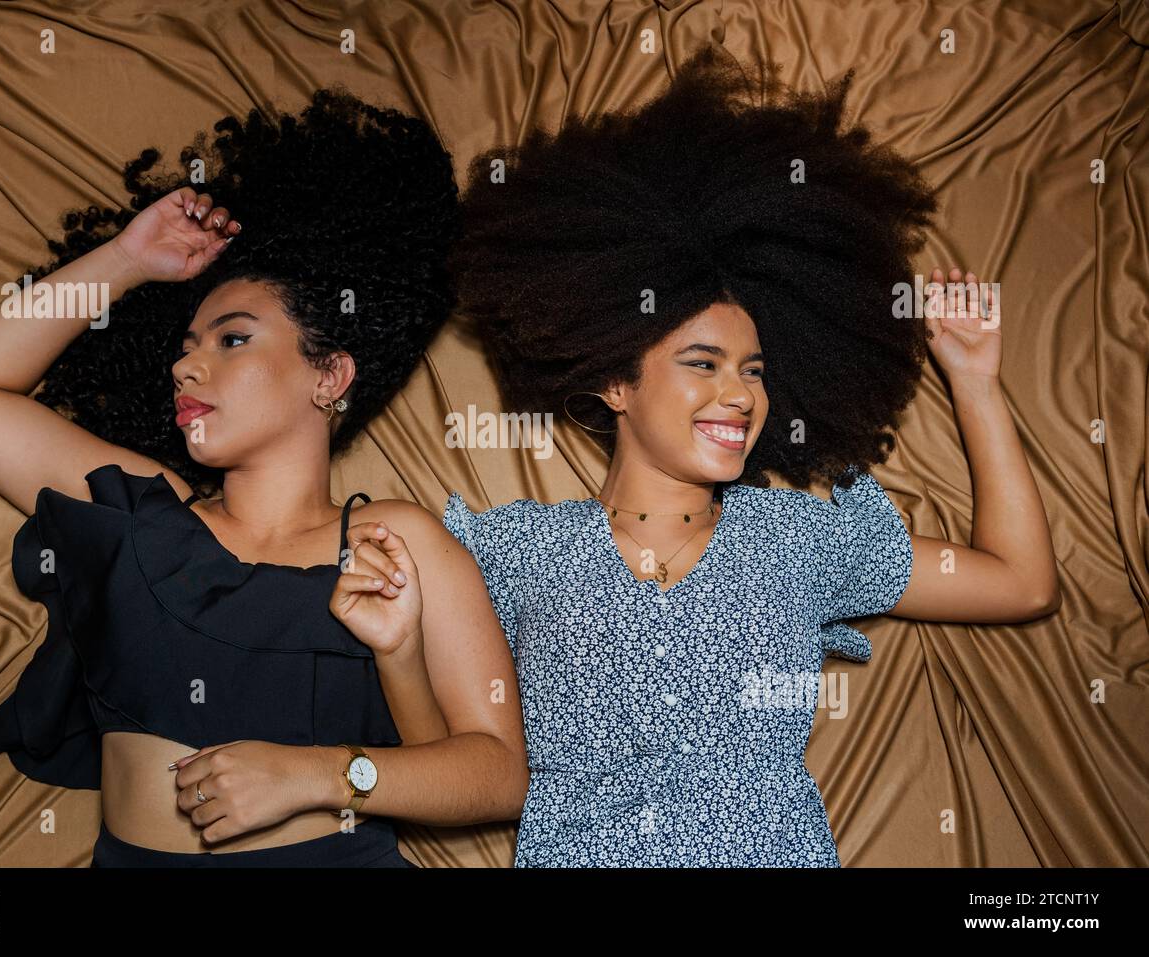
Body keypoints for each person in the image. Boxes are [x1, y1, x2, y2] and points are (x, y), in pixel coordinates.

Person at [433, 48, 1061, 866]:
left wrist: (976, 384)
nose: (742, 395)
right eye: (704, 363)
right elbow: (446, 740)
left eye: (755, 372)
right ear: (617, 382)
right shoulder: (510, 554)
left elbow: (1023, 582)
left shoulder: (800, 540)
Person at [0, 88, 527, 867]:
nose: (186, 363)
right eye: (185, 345)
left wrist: (315, 772)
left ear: (329, 374)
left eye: (232, 339)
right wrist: (129, 259)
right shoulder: (144, 510)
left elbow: (498, 771)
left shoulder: (393, 538)